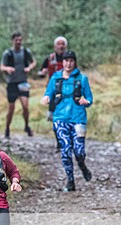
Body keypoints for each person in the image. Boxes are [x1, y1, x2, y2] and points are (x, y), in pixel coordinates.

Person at [41, 50, 93, 192]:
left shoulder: (82, 79)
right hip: (60, 119)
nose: (68, 63)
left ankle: (82, 165)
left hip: (78, 119)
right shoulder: (55, 78)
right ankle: (70, 180)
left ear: (75, 62)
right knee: (65, 150)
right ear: (62, 62)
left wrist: (85, 101)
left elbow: (90, 99)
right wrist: (46, 98)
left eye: (71, 61)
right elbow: (48, 93)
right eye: (66, 61)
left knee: (79, 151)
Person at [0, 32, 36, 139]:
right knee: (11, 108)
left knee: (25, 106)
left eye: (20, 40)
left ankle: (26, 126)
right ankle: (7, 128)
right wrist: (8, 69)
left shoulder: (25, 52)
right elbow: (1, 67)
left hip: (23, 82)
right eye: (17, 40)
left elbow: (34, 62)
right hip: (12, 83)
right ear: (13, 41)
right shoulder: (8, 53)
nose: (19, 42)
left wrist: (29, 68)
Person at [37, 36, 68, 150]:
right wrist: (43, 72)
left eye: (62, 44)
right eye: (58, 44)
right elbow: (41, 72)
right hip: (54, 92)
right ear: (55, 47)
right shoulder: (49, 58)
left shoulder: (69, 58)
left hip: (67, 92)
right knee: (54, 117)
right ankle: (59, 142)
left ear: (65, 46)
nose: (61, 46)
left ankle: (66, 141)